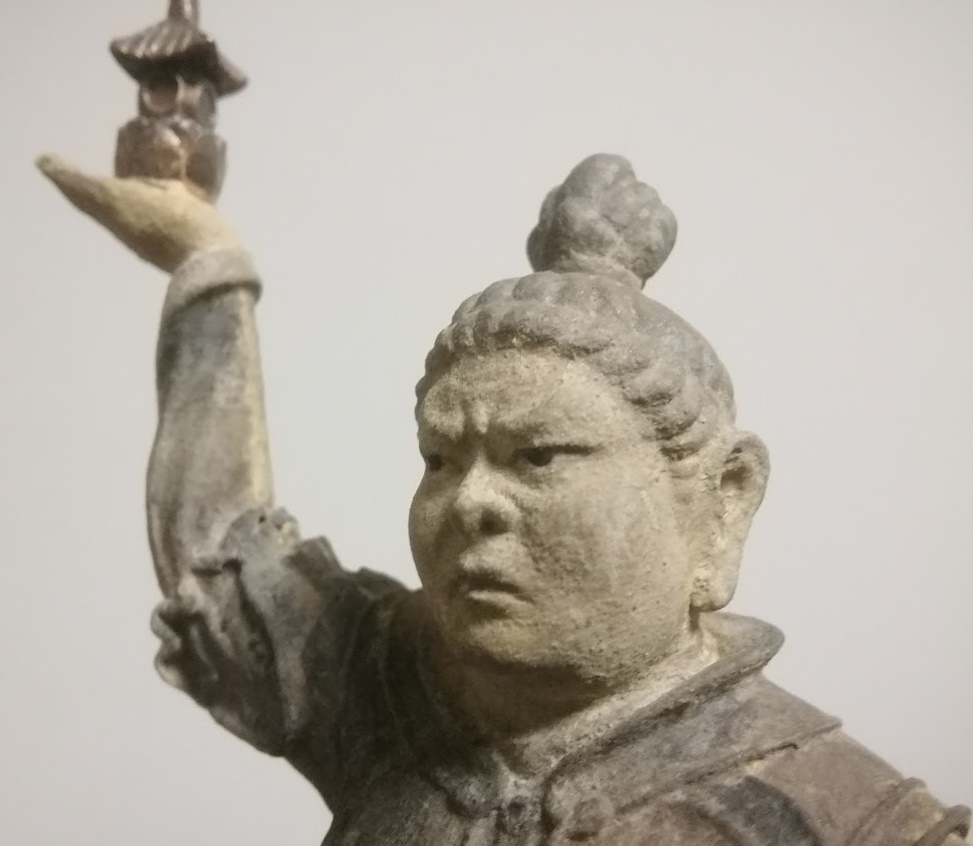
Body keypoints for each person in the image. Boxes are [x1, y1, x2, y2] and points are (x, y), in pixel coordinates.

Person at [37, 152, 969, 846]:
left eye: (539, 457)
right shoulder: (388, 690)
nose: (469, 501)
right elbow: (220, 552)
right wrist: (208, 264)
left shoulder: (846, 817)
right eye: (440, 459)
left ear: (722, 502)